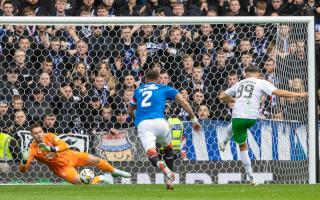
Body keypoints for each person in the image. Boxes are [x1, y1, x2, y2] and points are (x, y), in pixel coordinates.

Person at [218, 66, 308, 185]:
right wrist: (298, 95)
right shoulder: (261, 82)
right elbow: (279, 93)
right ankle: (224, 142)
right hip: (252, 118)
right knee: (236, 126)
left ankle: (251, 178)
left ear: (245, 74)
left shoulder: (239, 83)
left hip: (239, 117)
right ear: (259, 74)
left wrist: (234, 100)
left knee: (242, 145)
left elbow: (221, 96)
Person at [128, 69, 201, 190]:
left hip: (144, 124)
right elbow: (184, 103)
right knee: (168, 148)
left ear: (145, 80)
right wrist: (194, 120)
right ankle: (169, 181)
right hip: (161, 123)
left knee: (152, 154)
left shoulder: (138, 91)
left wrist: (138, 120)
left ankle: (160, 164)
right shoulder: (164, 88)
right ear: (158, 79)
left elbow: (129, 110)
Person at [19, 123, 131, 184]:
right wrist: (24, 162)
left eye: (40, 132)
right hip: (61, 168)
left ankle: (114, 171)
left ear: (42, 131)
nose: (39, 134)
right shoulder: (32, 150)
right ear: (32, 135)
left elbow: (65, 146)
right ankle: (100, 178)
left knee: (95, 160)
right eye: (36, 133)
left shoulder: (50, 136)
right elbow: (23, 170)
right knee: (81, 183)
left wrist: (51, 149)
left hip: (72, 156)